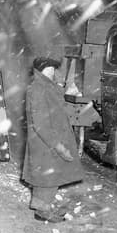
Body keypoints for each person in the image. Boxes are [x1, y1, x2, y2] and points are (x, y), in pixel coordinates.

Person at [22, 57, 84, 222]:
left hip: (48, 141)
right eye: (51, 69)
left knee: (48, 176)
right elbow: (41, 124)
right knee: (47, 178)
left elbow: (54, 98)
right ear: (44, 70)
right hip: (46, 142)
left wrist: (67, 91)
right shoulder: (38, 89)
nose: (54, 72)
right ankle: (42, 211)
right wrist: (58, 146)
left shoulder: (45, 86)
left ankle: (42, 206)